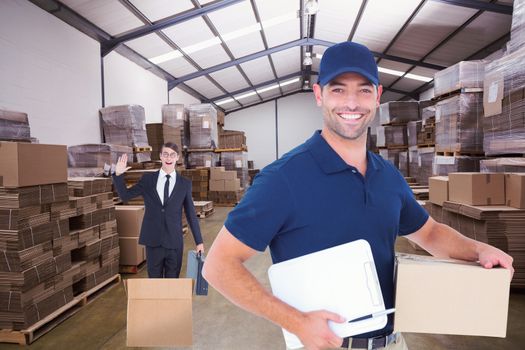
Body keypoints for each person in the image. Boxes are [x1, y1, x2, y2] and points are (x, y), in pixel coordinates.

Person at [202, 41, 514, 350]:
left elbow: (429, 233)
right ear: (319, 95)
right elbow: (218, 265)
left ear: (377, 96)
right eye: (338, 89)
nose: (352, 103)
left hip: (391, 342)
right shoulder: (283, 179)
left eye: (364, 90)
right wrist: (295, 322)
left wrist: (478, 251)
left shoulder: (387, 176)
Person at [113, 142, 204, 278]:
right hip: (153, 241)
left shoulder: (184, 184)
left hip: (174, 242)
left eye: (172, 155)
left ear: (177, 158)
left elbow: (191, 214)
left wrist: (199, 242)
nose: (168, 158)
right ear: (160, 156)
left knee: (172, 284)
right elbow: (125, 195)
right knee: (154, 285)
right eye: (165, 154)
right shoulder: (148, 180)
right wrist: (118, 175)